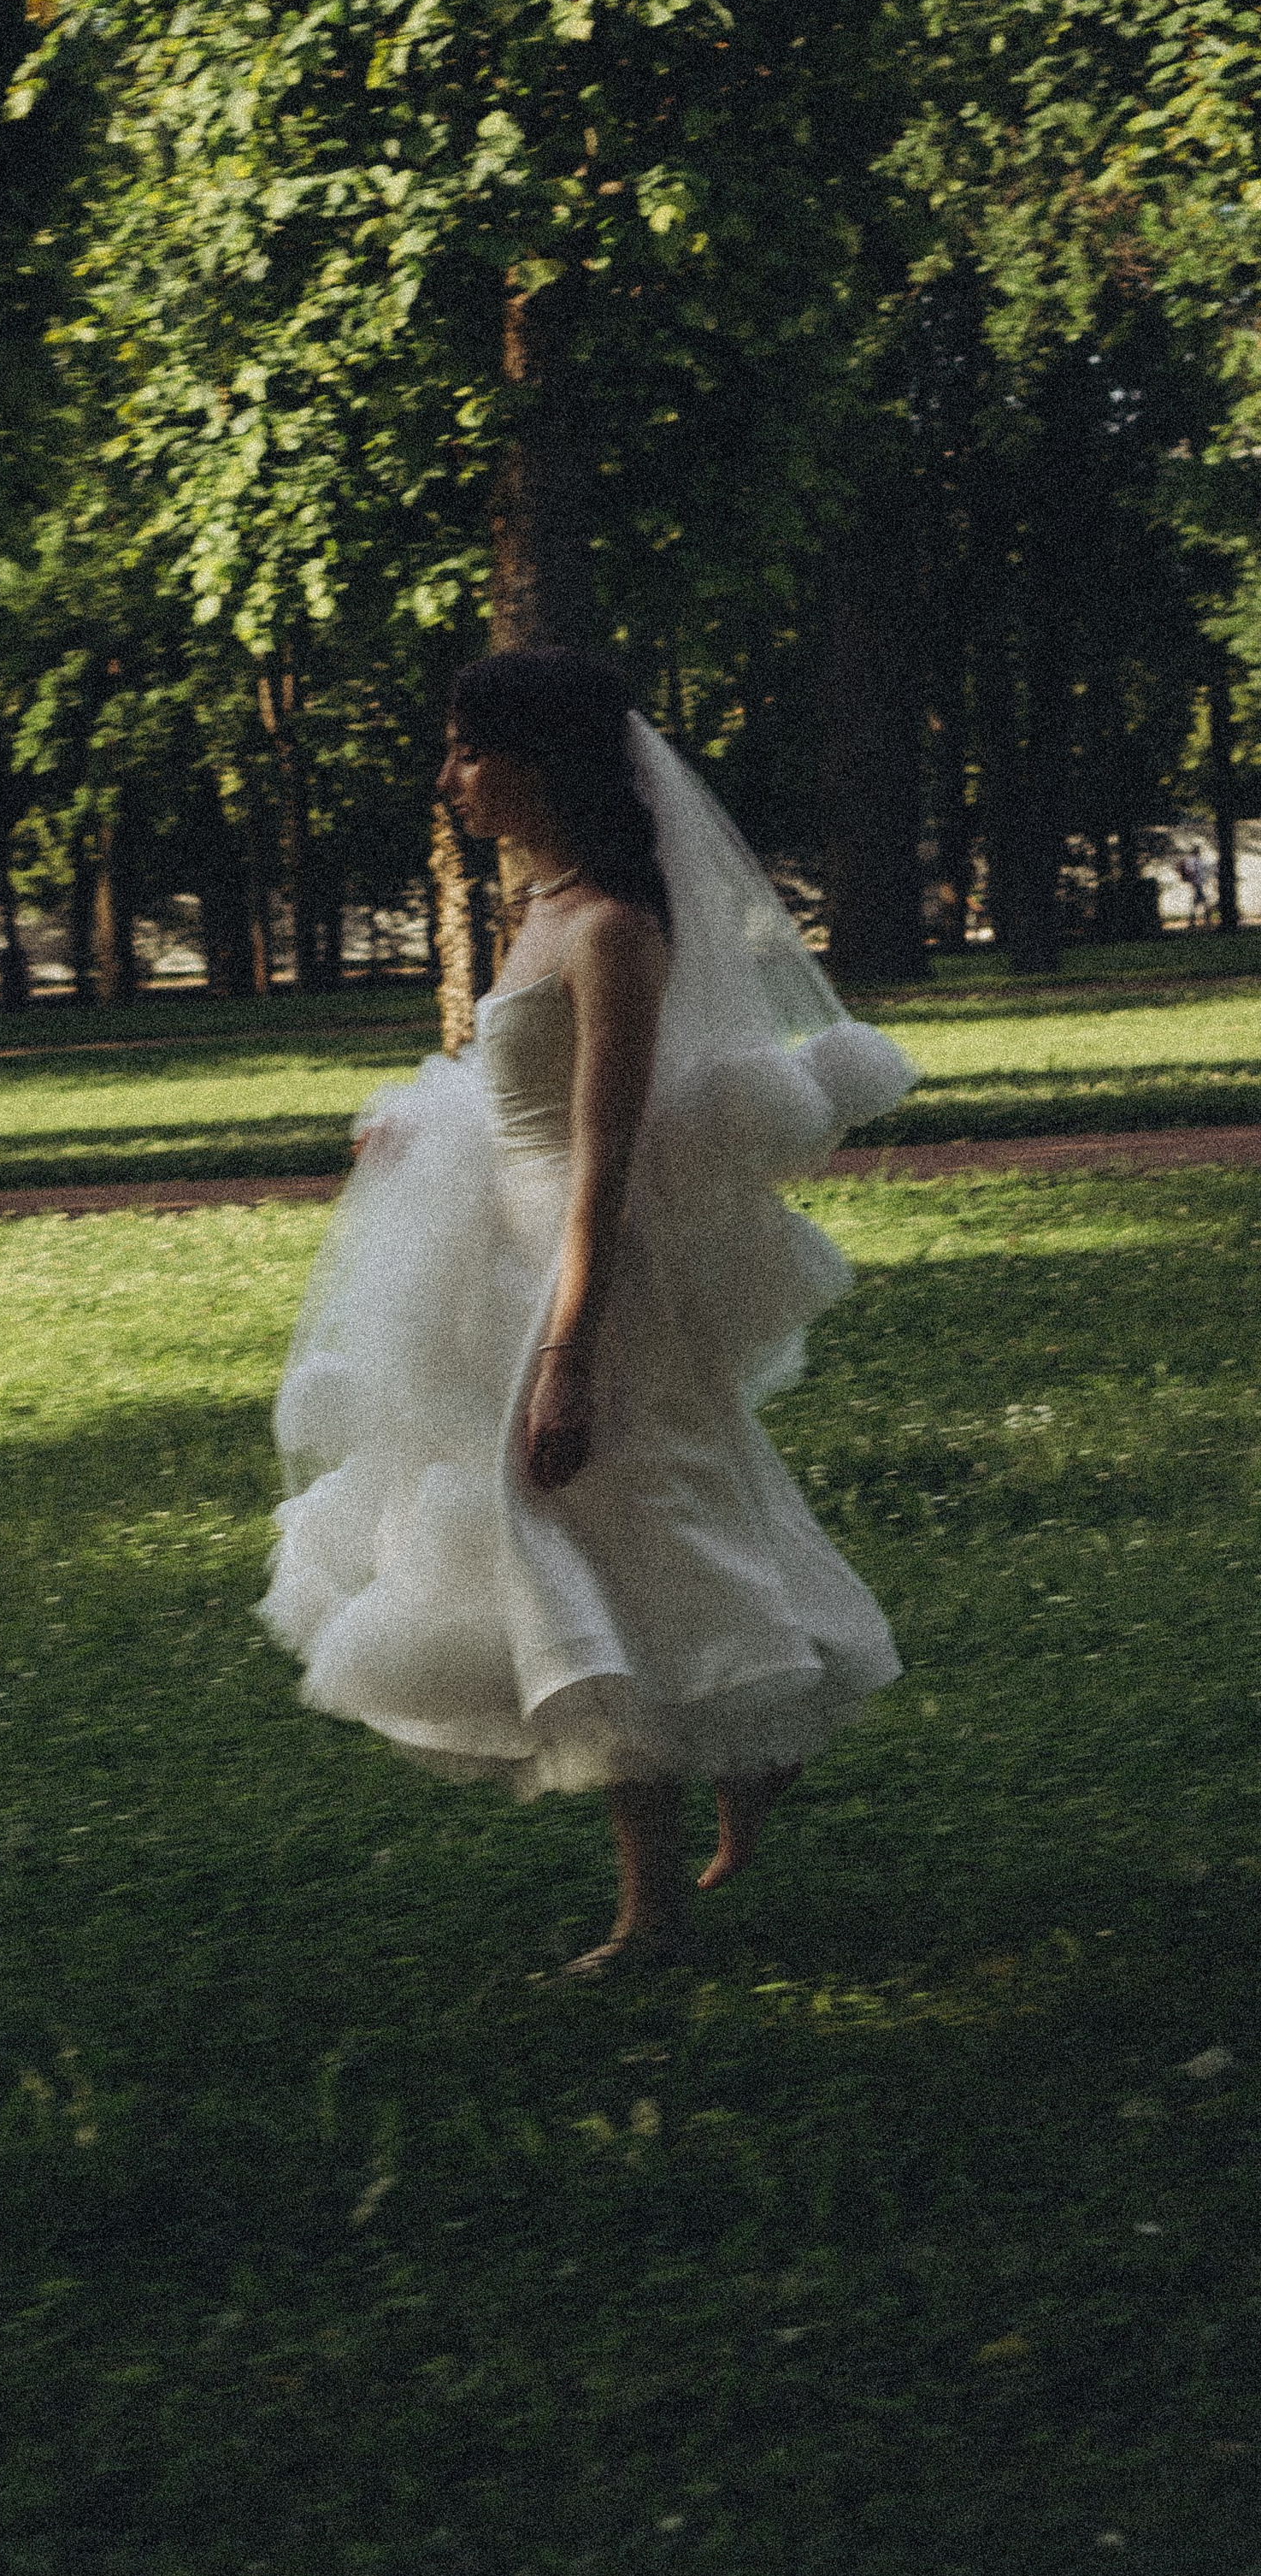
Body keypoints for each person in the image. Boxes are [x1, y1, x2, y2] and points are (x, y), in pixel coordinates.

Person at [259, 647, 918, 1976]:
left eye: (464, 749)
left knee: (615, 1534)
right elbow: (521, 1104)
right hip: (511, 1262)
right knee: (646, 1528)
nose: (447, 776)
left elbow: (603, 1156)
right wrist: (421, 1134)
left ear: (536, 761)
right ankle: (753, 1745)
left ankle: (661, 1898)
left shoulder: (617, 927)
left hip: (588, 1276)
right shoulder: (545, 907)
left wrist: (568, 1352)